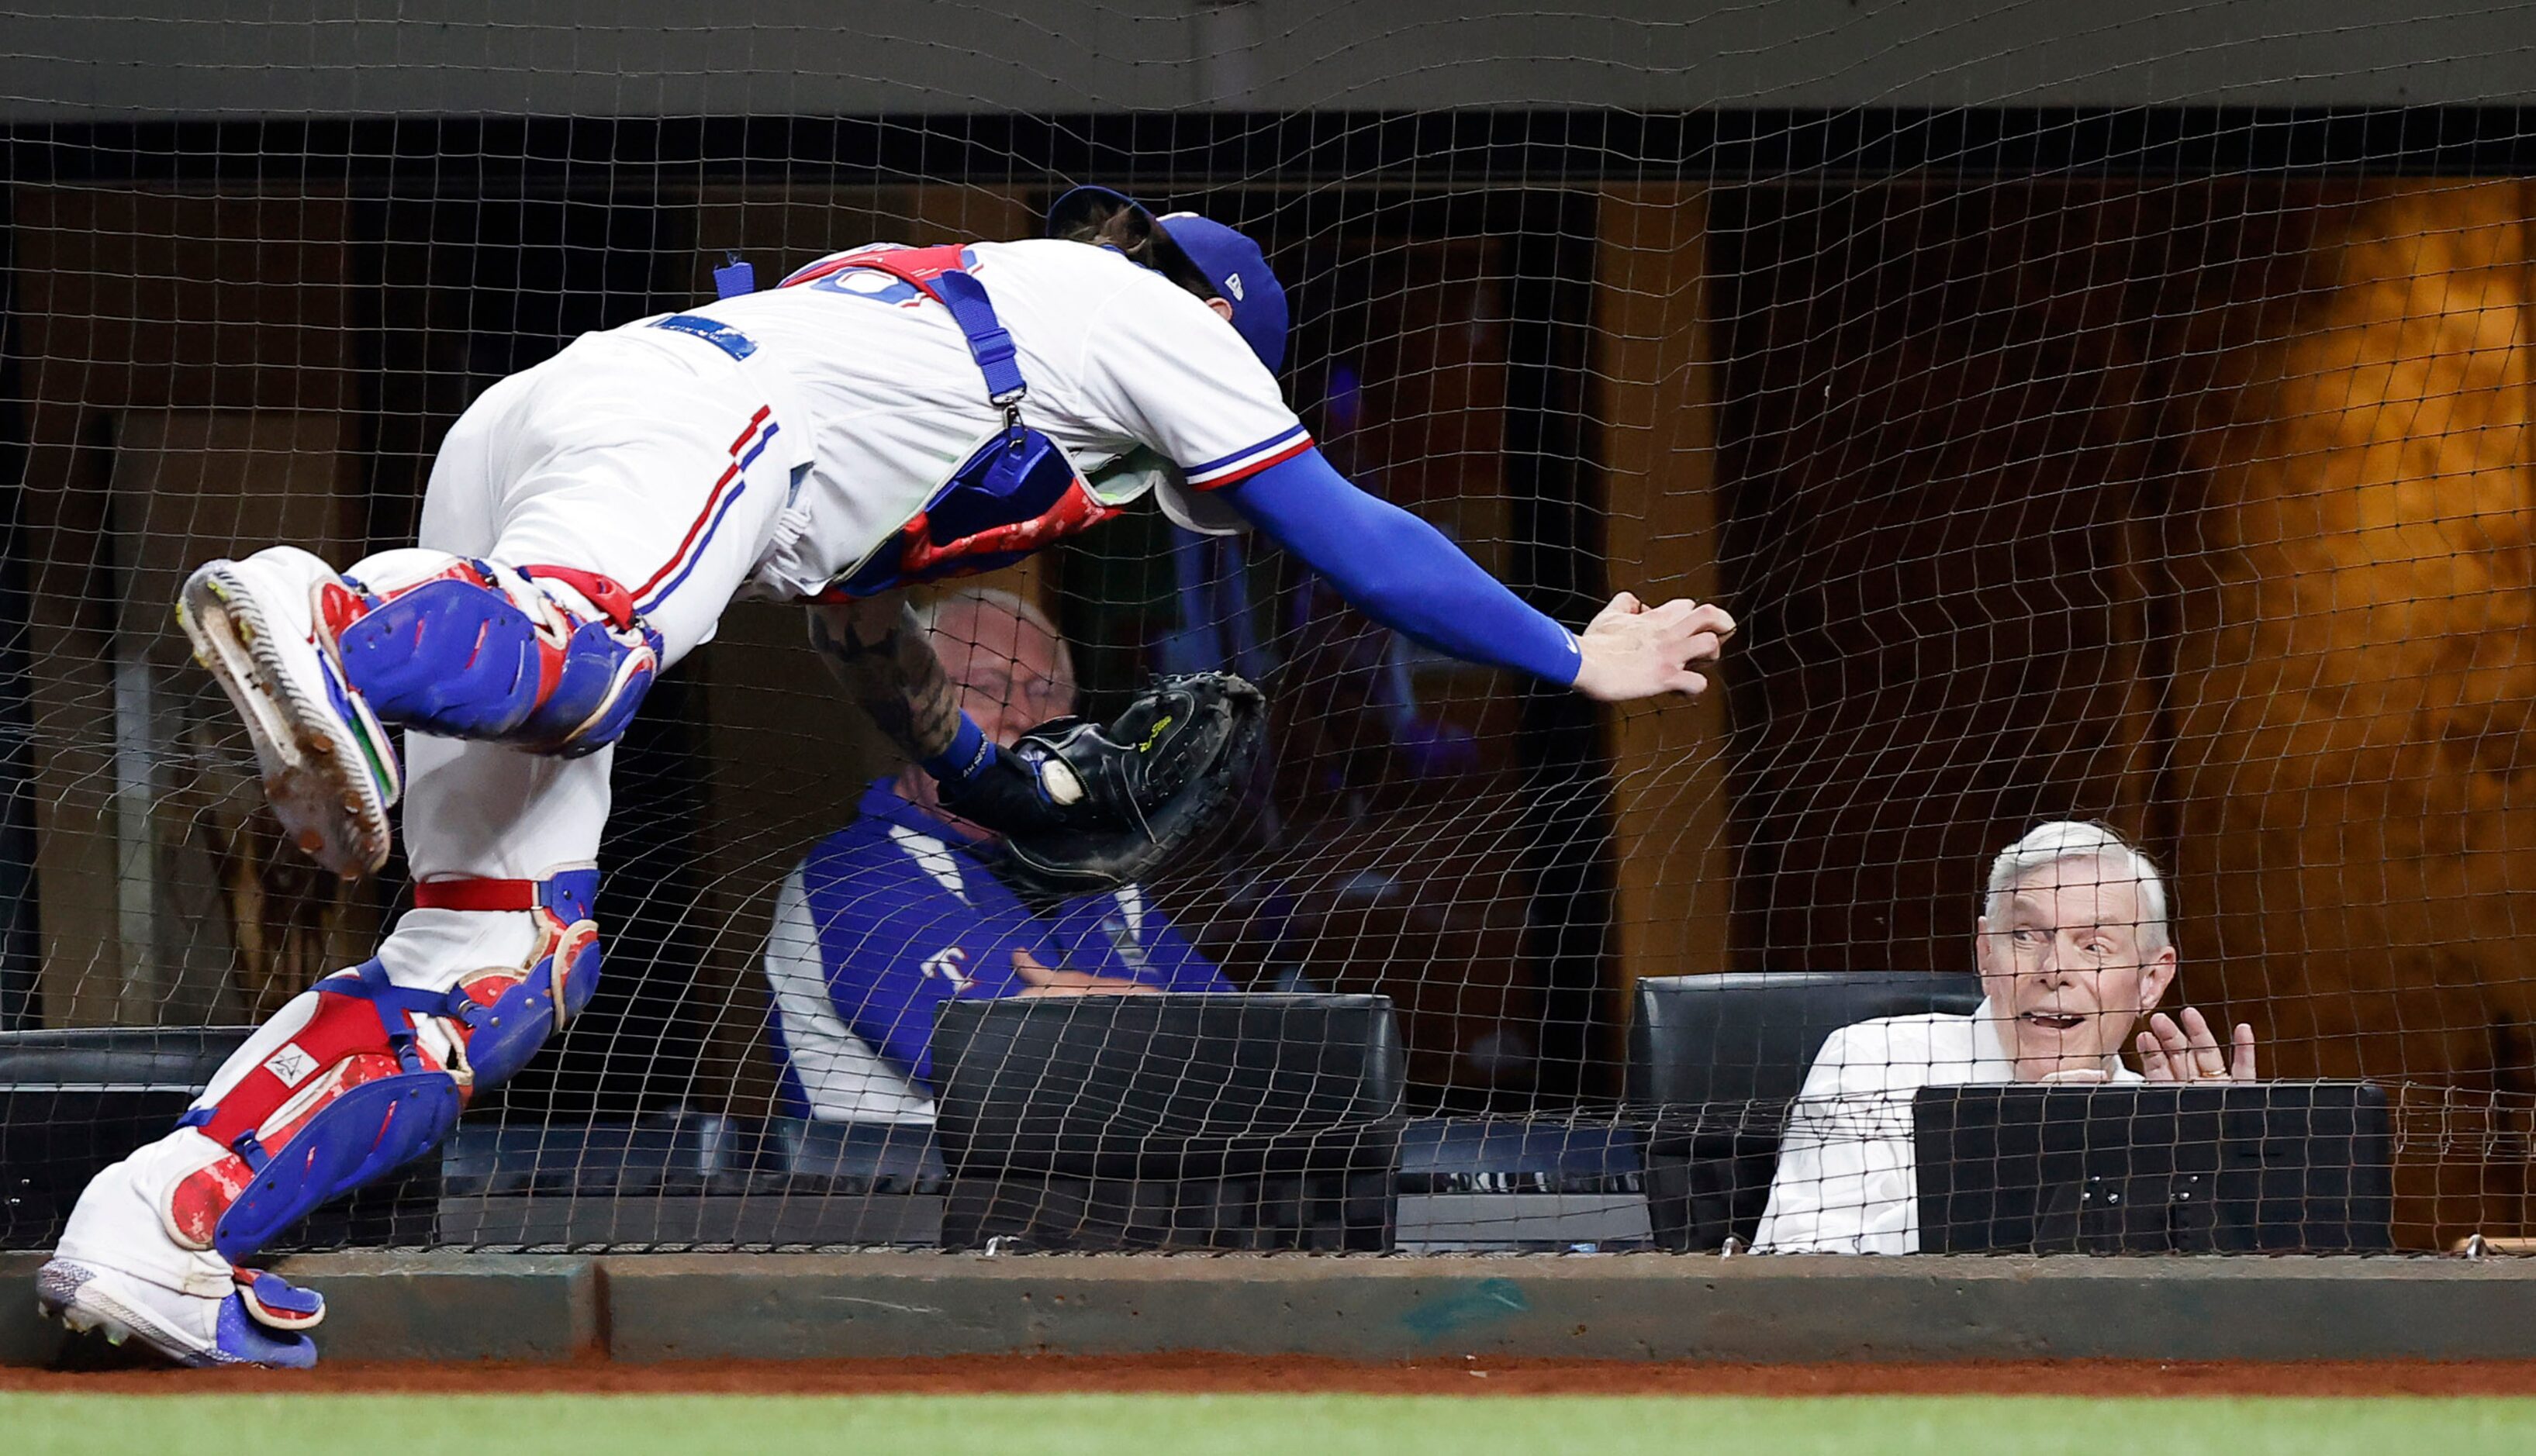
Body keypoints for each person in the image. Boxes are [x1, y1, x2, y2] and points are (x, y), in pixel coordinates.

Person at [39, 186, 1734, 1366]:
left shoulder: (947, 365)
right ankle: (340, 615)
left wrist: (1002, 789)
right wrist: (1577, 656)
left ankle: (164, 1220)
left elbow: (865, 652)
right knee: (595, 651)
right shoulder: (1152, 315)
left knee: (506, 954)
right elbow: (1350, 531)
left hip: (577, 425)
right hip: (686, 429)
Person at [764, 588, 1228, 1124]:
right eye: (987, 686)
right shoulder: (853, 883)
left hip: (1107, 1199)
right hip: (906, 1203)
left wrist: (1128, 1025)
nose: (1025, 716)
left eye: (1048, 690)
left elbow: (1262, 1054)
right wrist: (1161, 1023)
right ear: (910, 708)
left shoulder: (1098, 875)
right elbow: (1042, 1083)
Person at [1752, 821, 2258, 1255]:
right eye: (2026, 936)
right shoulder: (1874, 1062)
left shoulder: (2162, 1116)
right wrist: (2017, 1164)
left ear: (2151, 979)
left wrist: (2226, 1165)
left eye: (2094, 946)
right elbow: (1787, 1265)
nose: (2054, 969)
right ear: (1985, 955)